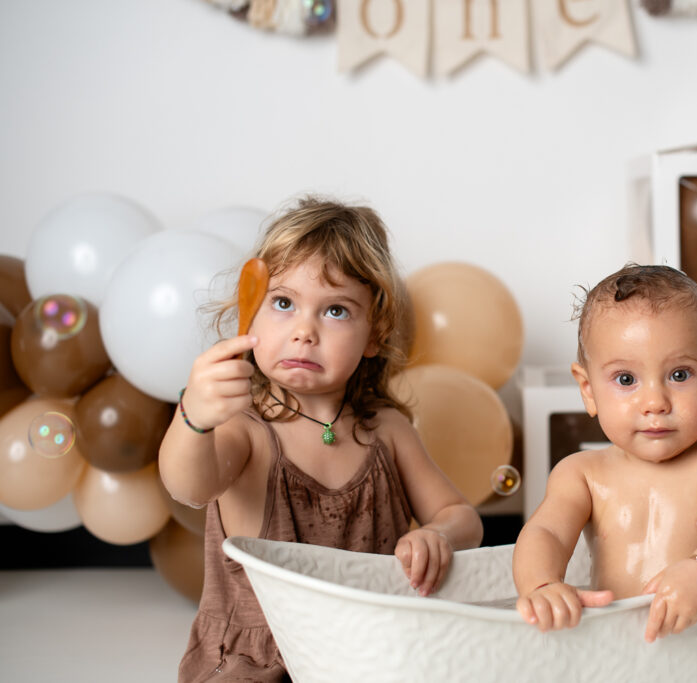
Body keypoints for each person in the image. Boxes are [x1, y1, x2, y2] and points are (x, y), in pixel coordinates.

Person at [159, 196, 483, 682]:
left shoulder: (386, 431)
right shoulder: (244, 429)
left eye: (335, 311)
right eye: (283, 303)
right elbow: (188, 485)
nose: (304, 331)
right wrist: (194, 419)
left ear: (374, 336)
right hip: (262, 661)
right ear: (251, 315)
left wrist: (437, 535)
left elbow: (462, 518)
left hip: (371, 651)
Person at [512, 264, 697, 642]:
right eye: (626, 379)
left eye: (680, 375)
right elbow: (545, 533)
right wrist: (541, 585)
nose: (655, 402)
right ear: (588, 390)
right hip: (613, 647)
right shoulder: (582, 474)